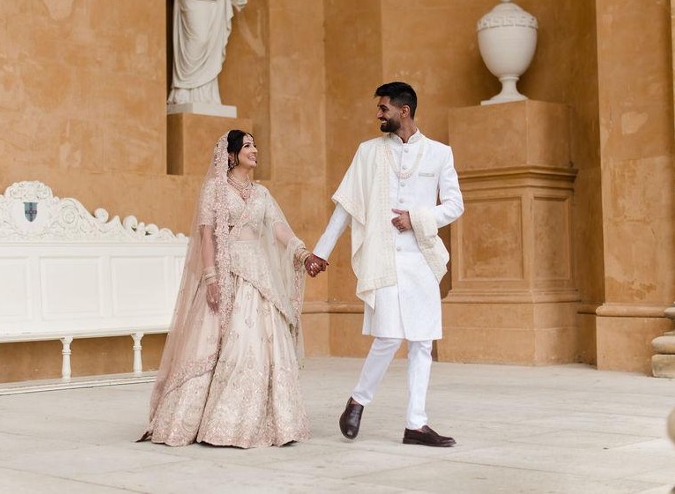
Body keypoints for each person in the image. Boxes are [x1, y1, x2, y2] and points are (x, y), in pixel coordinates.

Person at [304, 82, 464, 447]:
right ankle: (358, 400)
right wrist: (321, 252)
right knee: (390, 336)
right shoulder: (368, 152)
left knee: (423, 342)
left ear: (403, 111)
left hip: (422, 257)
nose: (378, 114)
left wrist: (418, 218)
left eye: (383, 108)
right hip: (385, 258)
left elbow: (455, 205)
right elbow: (345, 206)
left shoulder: (440, 154)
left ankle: (416, 424)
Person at [141, 130, 311, 447]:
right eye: (248, 146)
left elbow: (278, 229)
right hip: (227, 271)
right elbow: (207, 236)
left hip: (258, 275)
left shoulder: (262, 194)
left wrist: (303, 253)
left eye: (255, 145)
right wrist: (210, 278)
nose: (255, 150)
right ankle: (216, 422)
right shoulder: (215, 190)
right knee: (223, 345)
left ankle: (266, 421)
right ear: (231, 155)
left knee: (261, 344)